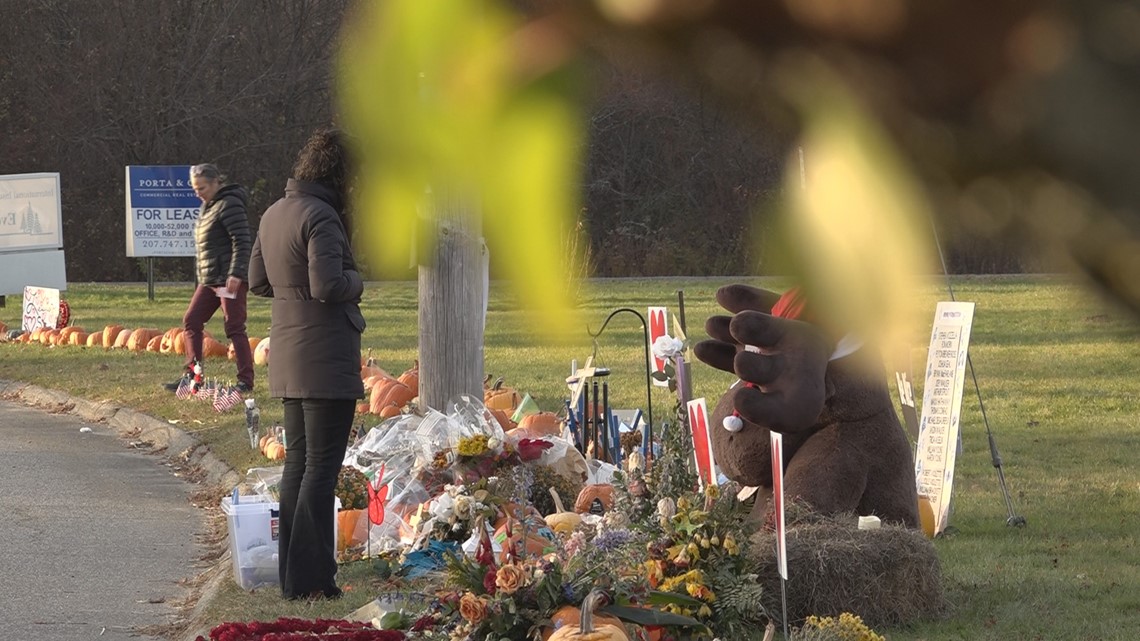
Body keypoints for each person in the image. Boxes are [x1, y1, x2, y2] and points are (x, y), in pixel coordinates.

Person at [248, 127, 365, 600]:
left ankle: (292, 579)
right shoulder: (323, 217)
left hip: (288, 357)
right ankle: (314, 580)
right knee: (321, 468)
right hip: (326, 357)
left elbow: (257, 280)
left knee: (297, 465)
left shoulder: (274, 213)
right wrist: (358, 280)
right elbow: (328, 285)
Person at [163, 163, 255, 393]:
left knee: (234, 326)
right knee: (191, 320)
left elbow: (242, 241)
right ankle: (194, 376)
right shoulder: (209, 207)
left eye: (202, 188)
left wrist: (236, 273)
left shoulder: (230, 204)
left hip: (228, 278)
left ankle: (246, 381)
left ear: (216, 183)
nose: (198, 193)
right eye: (195, 189)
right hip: (211, 279)